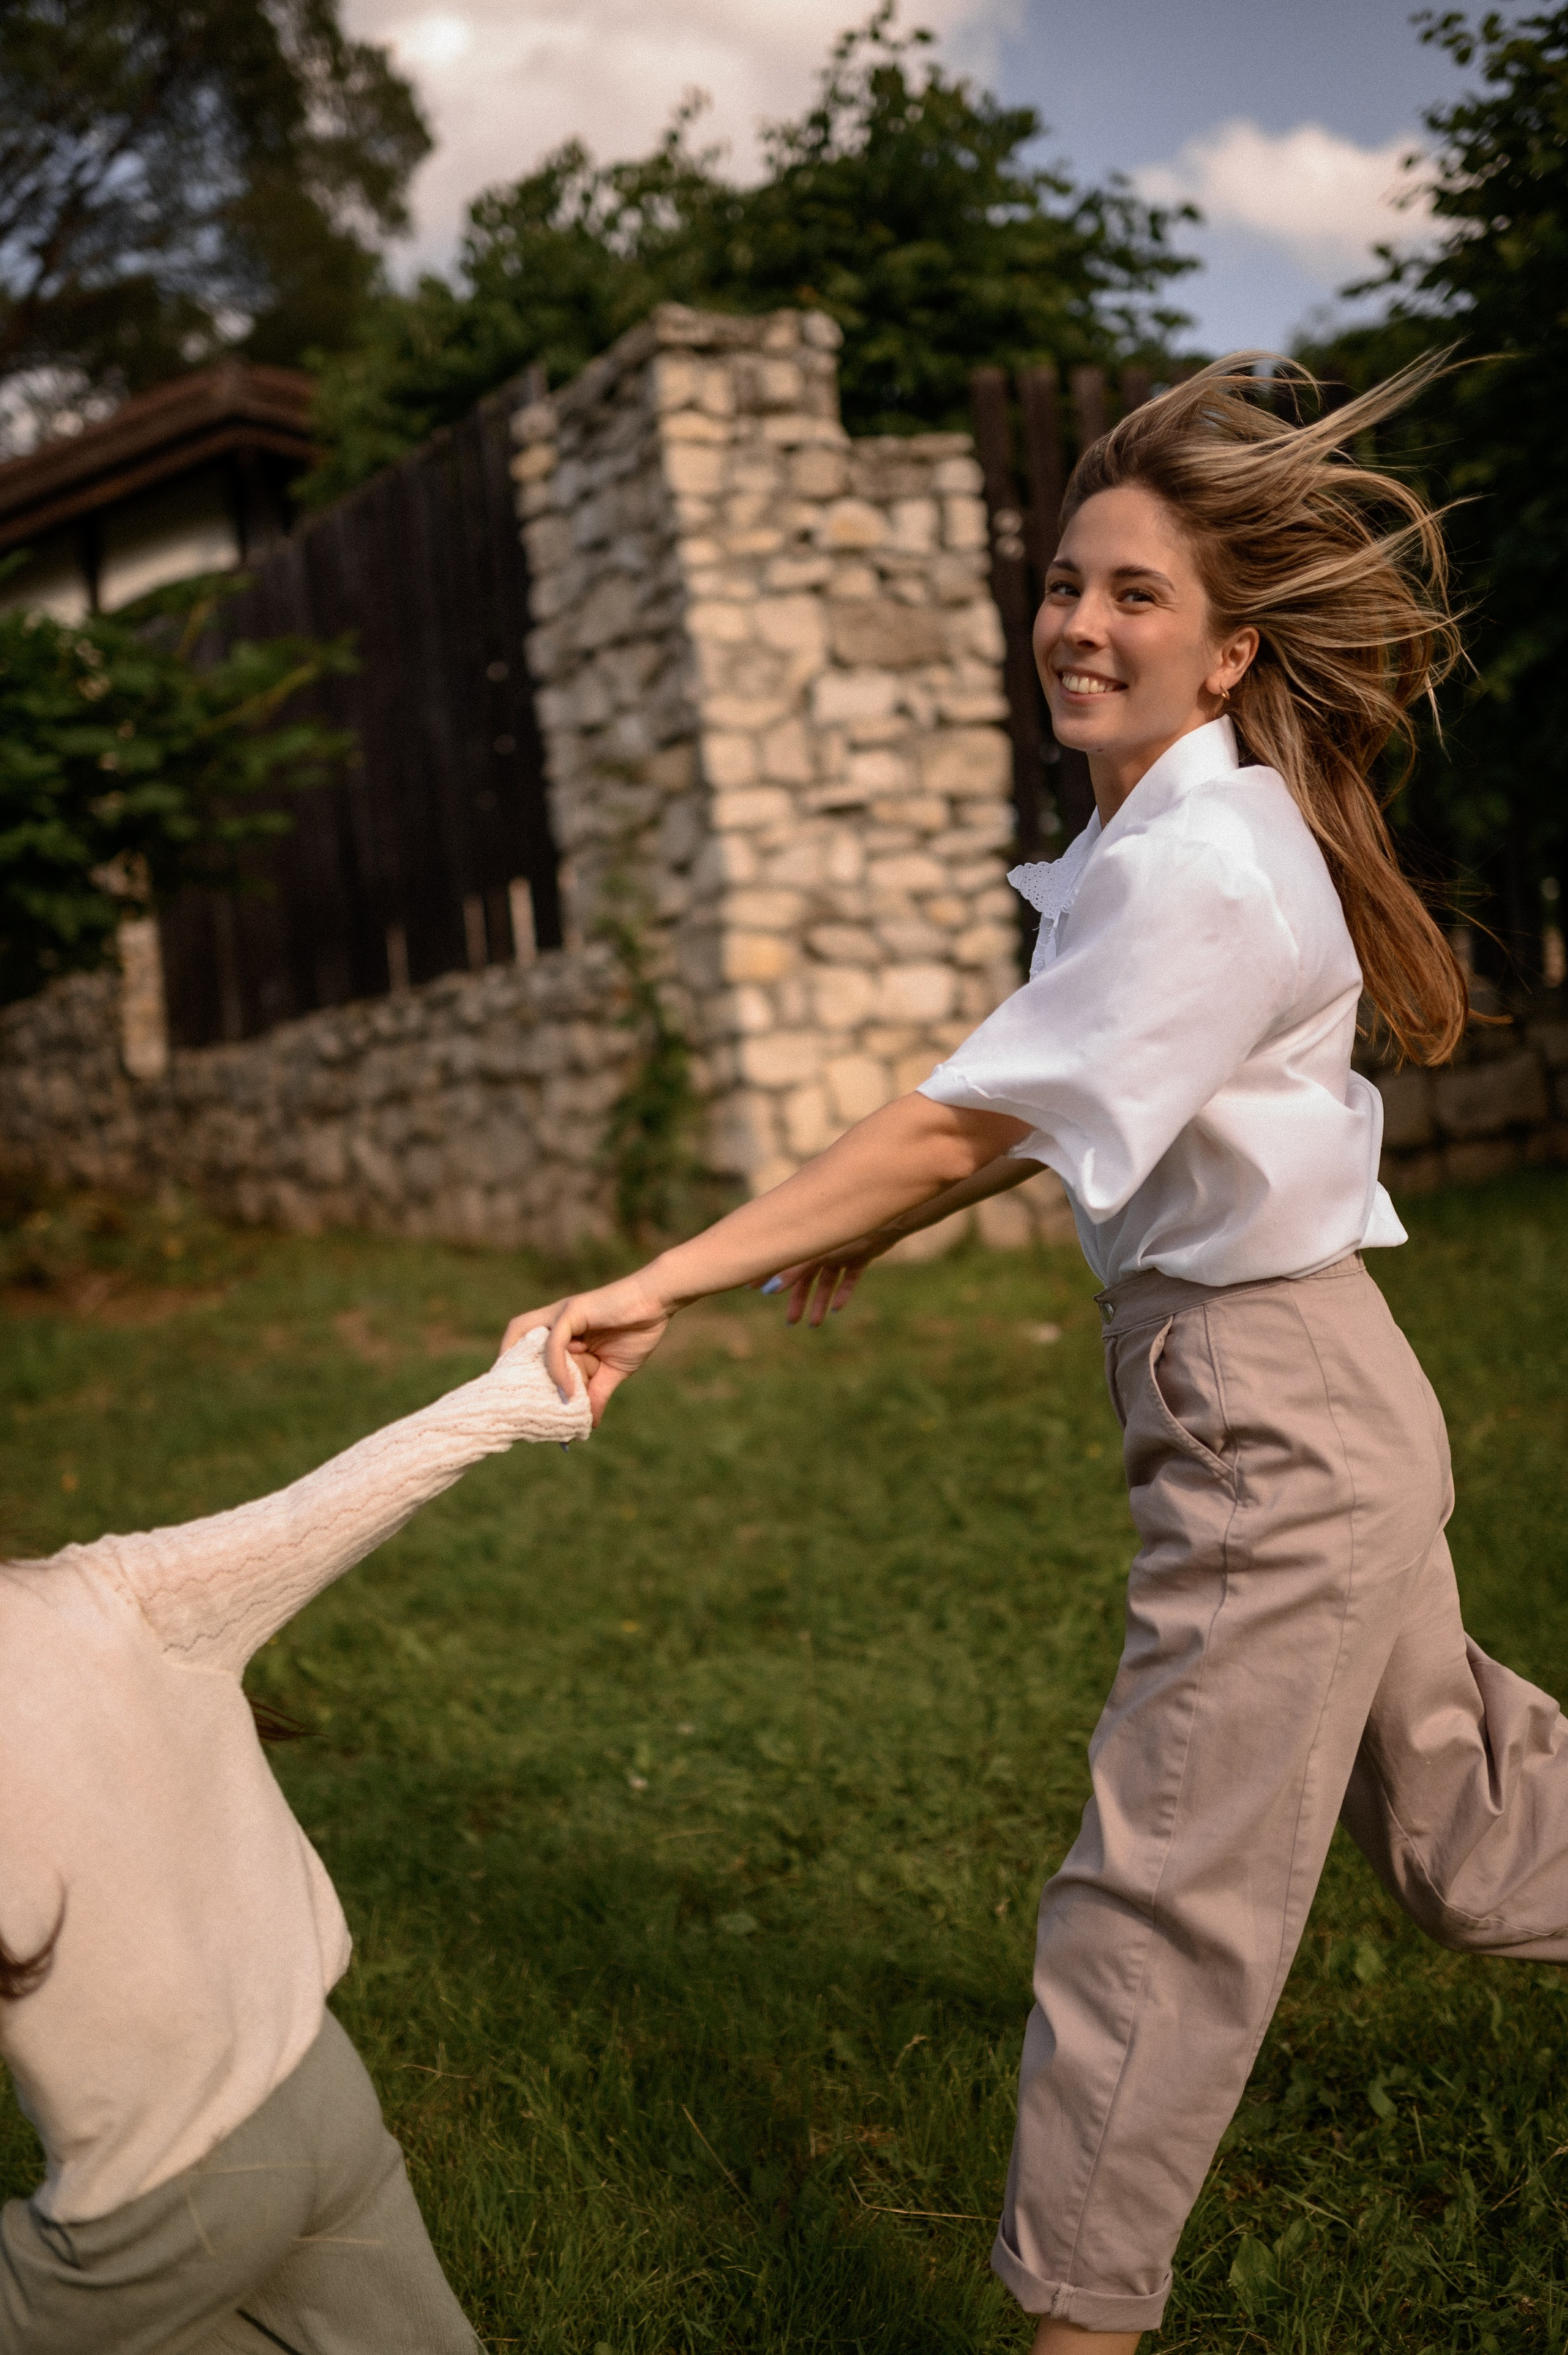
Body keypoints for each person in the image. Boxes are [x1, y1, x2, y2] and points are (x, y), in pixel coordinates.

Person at [503, 353, 1568, 2346]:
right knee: (1469, 1826)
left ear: (1235, 647)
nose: (1080, 621)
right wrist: (880, 1231)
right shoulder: (1185, 839)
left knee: (1157, 1894)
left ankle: (1077, 2322)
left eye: (1135, 593)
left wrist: (666, 1272)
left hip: (1275, 1422)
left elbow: (961, 1119)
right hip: (1313, 1387)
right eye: (1068, 581)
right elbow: (1054, 1112)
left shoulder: (1200, 868)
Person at [0, 1327, 589, 2355]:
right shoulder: (104, 1592)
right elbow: (317, 1511)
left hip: (163, 2193)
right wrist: (517, 1394)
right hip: (321, 2093)